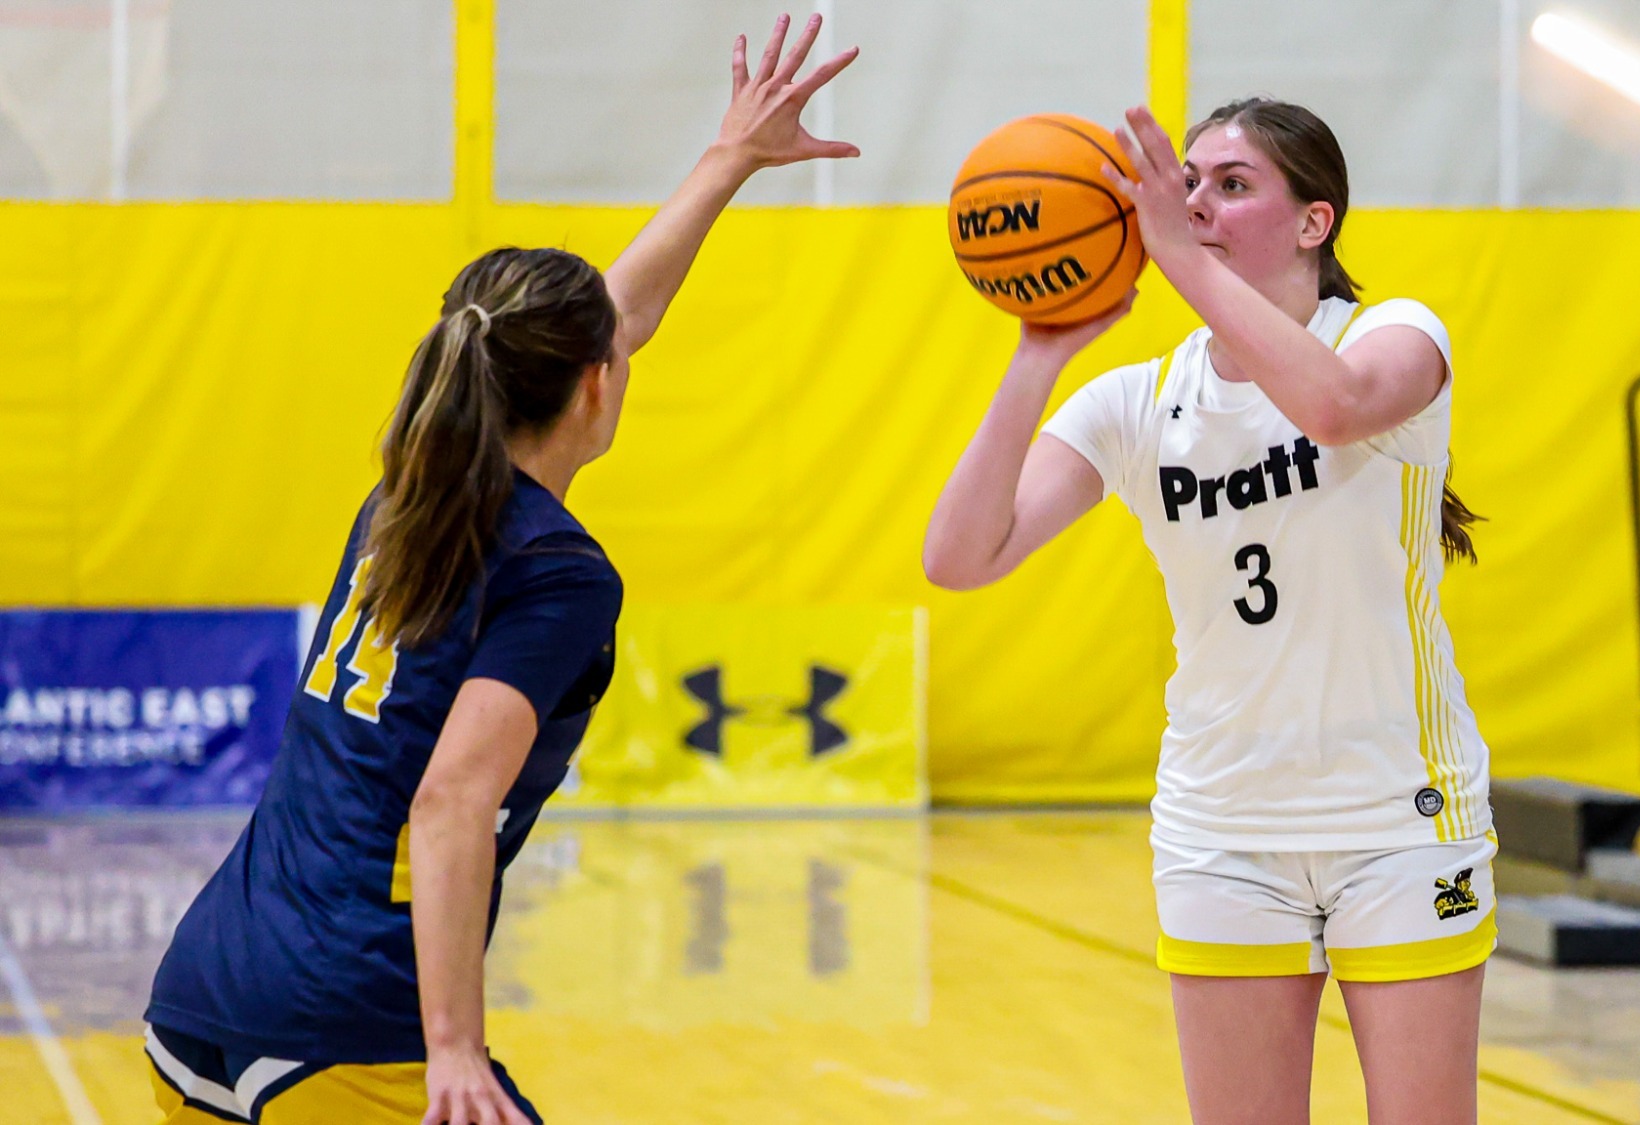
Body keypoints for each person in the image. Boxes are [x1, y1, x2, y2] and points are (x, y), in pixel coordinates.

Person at [142, 17, 857, 1124]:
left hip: (198, 998)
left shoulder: (405, 498)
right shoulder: (559, 572)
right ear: (595, 389)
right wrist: (454, 1051)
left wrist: (727, 161)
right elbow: (451, 800)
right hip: (340, 1029)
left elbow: (614, 318)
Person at [924, 98, 1494, 1125]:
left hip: (1398, 819)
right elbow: (960, 558)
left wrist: (1176, 259)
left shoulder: (1395, 336)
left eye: (1229, 185)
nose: (1191, 205)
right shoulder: (1134, 402)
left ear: (1313, 223)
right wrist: (1039, 352)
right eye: (1185, 183)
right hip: (1220, 823)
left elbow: (1331, 408)